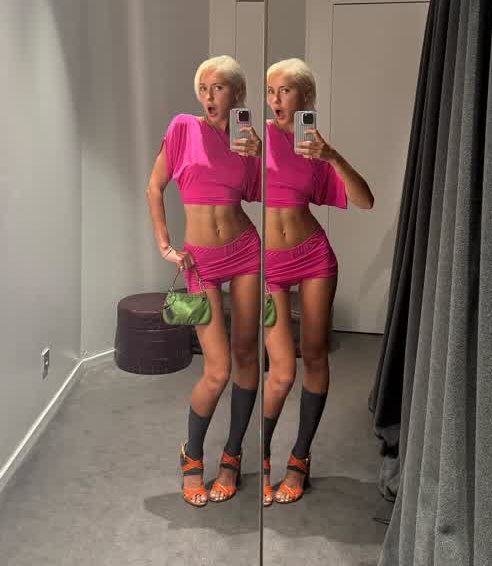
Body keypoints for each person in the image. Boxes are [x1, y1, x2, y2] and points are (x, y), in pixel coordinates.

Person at [146, 56, 262, 507]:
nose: (209, 96)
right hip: (201, 263)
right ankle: (192, 453)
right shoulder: (182, 128)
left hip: (246, 252)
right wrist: (164, 244)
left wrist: (260, 156)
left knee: (248, 356)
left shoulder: (245, 139)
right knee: (217, 369)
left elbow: (263, 194)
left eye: (219, 88)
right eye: (204, 88)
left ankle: (232, 455)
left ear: (237, 94)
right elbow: (155, 187)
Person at [263, 58, 374, 506]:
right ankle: (261, 456)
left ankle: (300, 458)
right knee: (280, 370)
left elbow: (365, 200)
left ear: (305, 98)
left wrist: (333, 157)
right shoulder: (256, 140)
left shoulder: (316, 150)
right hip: (270, 266)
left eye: (285, 91)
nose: (275, 99)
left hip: (313, 259)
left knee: (313, 355)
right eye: (270, 91)